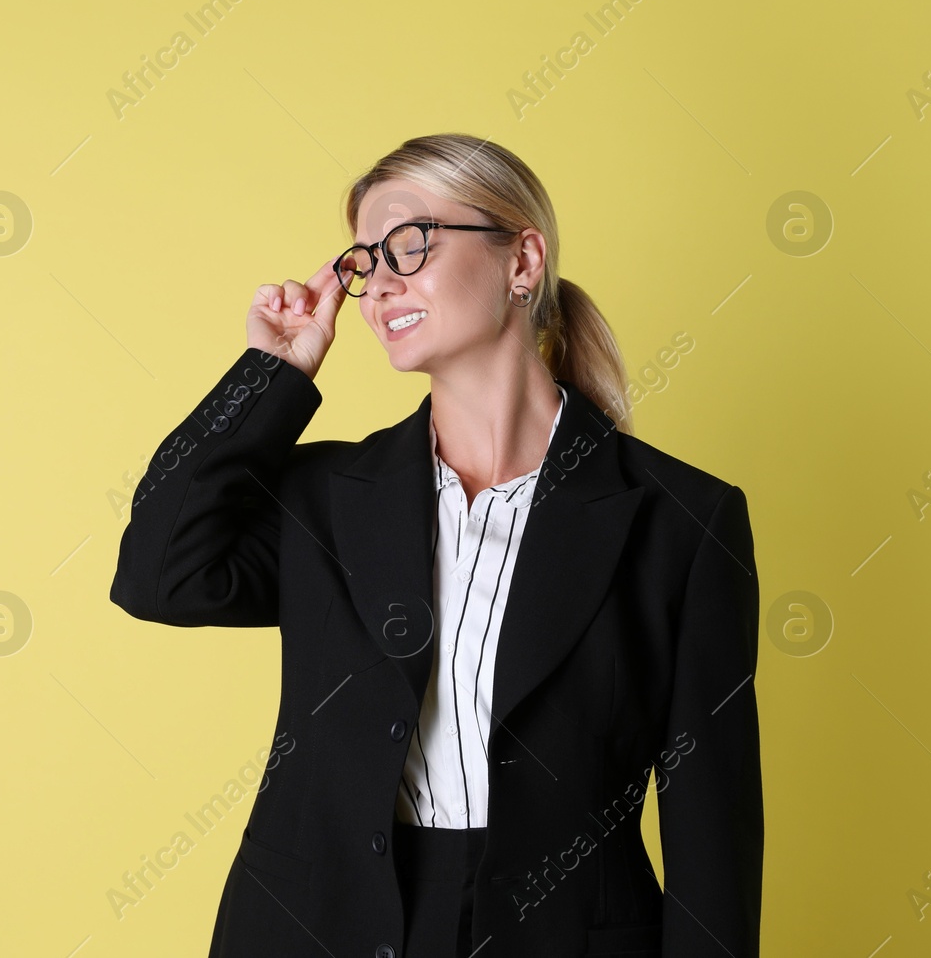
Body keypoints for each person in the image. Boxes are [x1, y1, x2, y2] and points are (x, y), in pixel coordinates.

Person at [109, 133, 762, 957]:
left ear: (522, 259)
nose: (379, 282)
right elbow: (159, 574)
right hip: (317, 927)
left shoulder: (684, 521)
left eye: (409, 244)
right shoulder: (327, 500)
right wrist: (268, 373)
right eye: (362, 261)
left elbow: (713, 831)